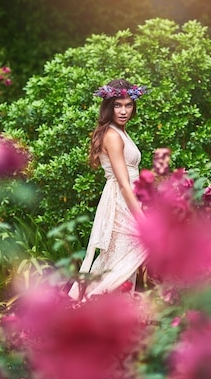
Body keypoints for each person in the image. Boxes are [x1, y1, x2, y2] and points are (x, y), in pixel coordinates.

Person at [68, 79, 148, 301]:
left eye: (128, 105)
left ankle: (114, 315)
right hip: (122, 201)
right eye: (117, 105)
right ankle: (92, 306)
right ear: (108, 107)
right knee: (121, 259)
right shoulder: (112, 135)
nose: (123, 111)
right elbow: (123, 183)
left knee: (120, 259)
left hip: (130, 198)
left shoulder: (120, 132)